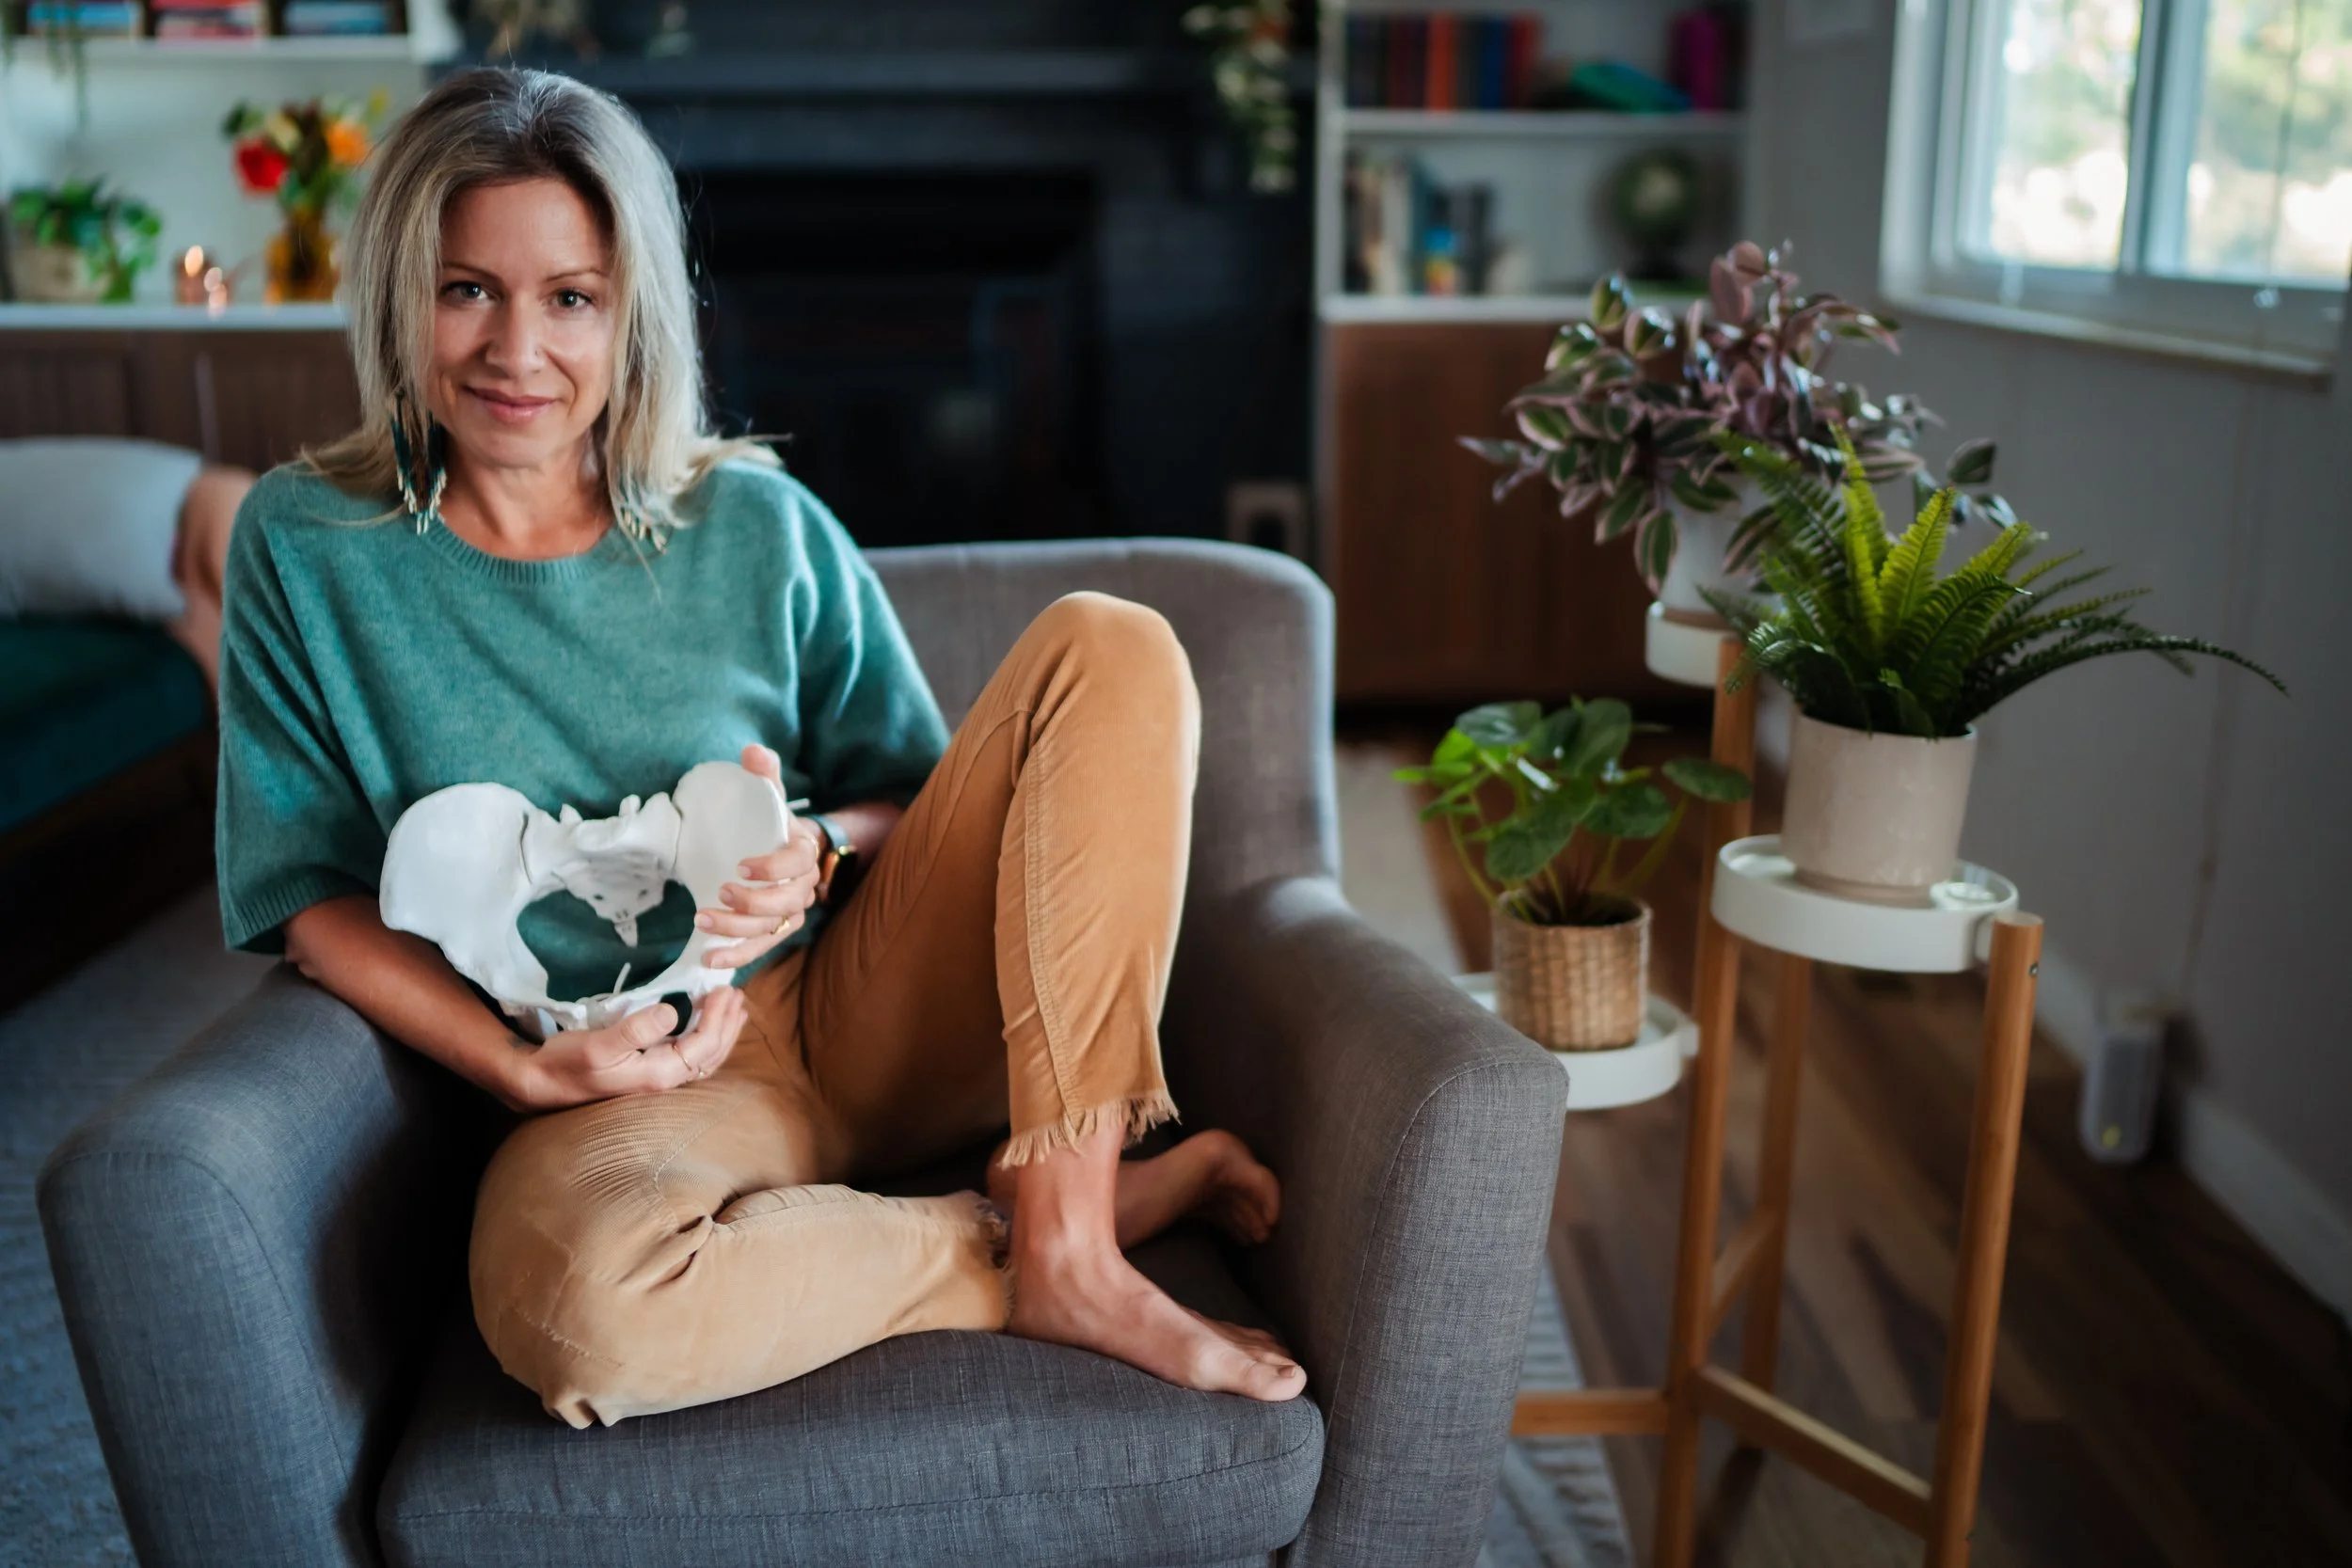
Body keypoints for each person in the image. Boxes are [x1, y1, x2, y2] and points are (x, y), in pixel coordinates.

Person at [214, 67, 1307, 1428]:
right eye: (467, 289)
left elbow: (912, 791)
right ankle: (1011, 1236)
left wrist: (819, 845)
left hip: (880, 1003)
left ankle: (1076, 1239)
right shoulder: (306, 547)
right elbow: (306, 894)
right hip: (645, 1087)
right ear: (396, 293)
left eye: (572, 297)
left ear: (633, 311)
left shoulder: (752, 521)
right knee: (581, 1313)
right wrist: (520, 1070)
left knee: (1114, 642)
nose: (517, 350)